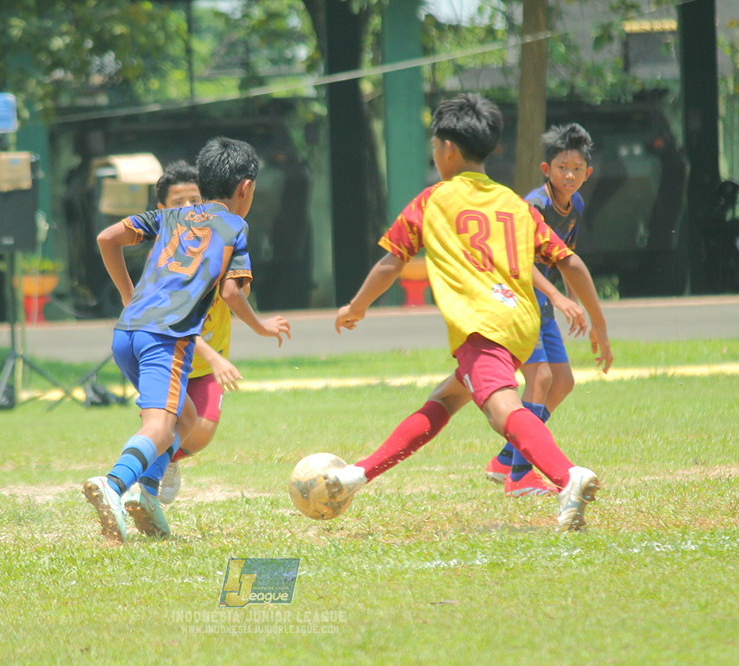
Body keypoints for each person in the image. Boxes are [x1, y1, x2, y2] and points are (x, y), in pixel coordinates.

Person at [329, 94, 613, 533]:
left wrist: (356, 307)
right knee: (445, 399)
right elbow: (570, 262)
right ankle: (357, 475)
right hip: (519, 324)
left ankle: (566, 476)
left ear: (446, 149)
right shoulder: (514, 203)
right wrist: (600, 324)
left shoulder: (432, 200)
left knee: (504, 412)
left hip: (481, 326)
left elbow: (391, 262)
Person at [86, 137, 290, 544]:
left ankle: (146, 493)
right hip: (167, 337)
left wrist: (129, 297)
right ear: (245, 188)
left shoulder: (171, 217)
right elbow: (233, 294)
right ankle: (113, 484)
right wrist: (261, 326)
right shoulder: (235, 226)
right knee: (161, 426)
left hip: (127, 333)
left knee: (187, 417)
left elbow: (107, 238)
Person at [484, 123, 602, 496]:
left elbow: (565, 258)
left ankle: (507, 458)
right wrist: (559, 297)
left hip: (545, 302)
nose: (569, 174)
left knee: (563, 381)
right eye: (562, 166)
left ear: (588, 173)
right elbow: (520, 261)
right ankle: (519, 477)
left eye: (577, 168)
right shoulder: (533, 205)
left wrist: (573, 303)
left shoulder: (575, 206)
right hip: (516, 298)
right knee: (541, 378)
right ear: (545, 169)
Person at [134, 161, 245, 506]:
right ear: (162, 211)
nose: (187, 208)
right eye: (177, 203)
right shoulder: (167, 258)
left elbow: (233, 292)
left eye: (193, 200)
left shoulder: (223, 237)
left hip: (208, 361)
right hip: (171, 356)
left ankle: (164, 461)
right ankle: (134, 473)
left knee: (202, 434)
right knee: (165, 428)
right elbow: (173, 320)